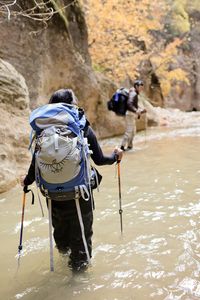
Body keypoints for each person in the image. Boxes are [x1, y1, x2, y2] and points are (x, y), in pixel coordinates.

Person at [20, 88, 123, 272]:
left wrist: (26, 182)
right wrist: (116, 157)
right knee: (81, 242)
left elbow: (35, 164)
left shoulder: (41, 130)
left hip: (52, 196)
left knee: (61, 238)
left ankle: (62, 261)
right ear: (72, 104)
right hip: (79, 195)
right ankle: (78, 280)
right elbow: (99, 160)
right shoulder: (81, 126)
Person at [120, 80, 146, 151]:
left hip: (131, 114)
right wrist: (136, 111)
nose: (141, 89)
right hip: (129, 114)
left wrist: (140, 110)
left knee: (133, 131)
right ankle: (122, 147)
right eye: (140, 87)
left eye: (142, 87)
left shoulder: (134, 93)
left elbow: (133, 105)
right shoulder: (133, 93)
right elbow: (129, 103)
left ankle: (129, 146)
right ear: (136, 86)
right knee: (129, 131)